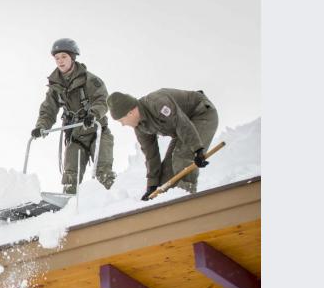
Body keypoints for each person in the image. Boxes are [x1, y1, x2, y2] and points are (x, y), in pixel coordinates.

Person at [30, 38, 116, 194]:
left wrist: (93, 115)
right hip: (76, 136)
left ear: (72, 57)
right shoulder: (55, 86)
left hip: (98, 131)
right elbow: (48, 109)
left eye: (64, 57)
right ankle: (69, 208)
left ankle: (110, 203)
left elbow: (102, 100)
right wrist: (41, 126)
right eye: (57, 58)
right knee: (70, 176)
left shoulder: (90, 80)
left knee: (103, 172)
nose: (60, 61)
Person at [106, 89, 219, 199]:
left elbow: (181, 123)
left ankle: (186, 201)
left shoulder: (157, 103)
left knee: (182, 157)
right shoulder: (140, 127)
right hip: (182, 129)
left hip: (201, 113)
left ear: (130, 113)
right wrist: (152, 185)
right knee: (166, 175)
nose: (123, 125)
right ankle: (167, 209)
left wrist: (197, 150)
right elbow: (151, 155)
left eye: (121, 120)